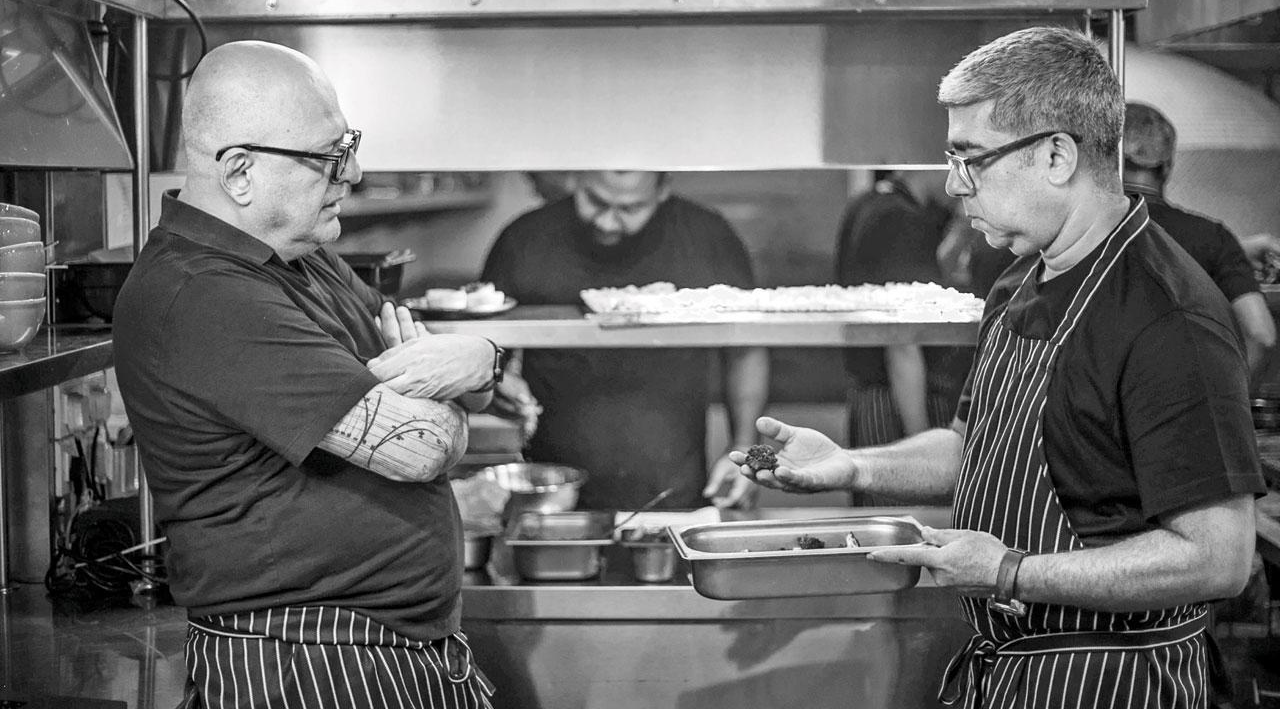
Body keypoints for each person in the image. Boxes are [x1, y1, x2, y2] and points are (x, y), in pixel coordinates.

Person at [737, 26, 1264, 709]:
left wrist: (1010, 569)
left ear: (1055, 155)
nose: (955, 186)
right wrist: (854, 466)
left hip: (1113, 681)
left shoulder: (1168, 317)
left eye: (971, 158)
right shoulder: (1019, 283)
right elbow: (974, 448)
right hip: (1014, 671)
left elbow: (1218, 557)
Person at [113, 41, 499, 709]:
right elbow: (421, 448)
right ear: (239, 171)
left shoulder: (300, 256)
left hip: (379, 654)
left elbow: (446, 373)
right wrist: (460, 379)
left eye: (348, 144)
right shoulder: (204, 294)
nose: (353, 172)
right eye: (328, 156)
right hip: (307, 663)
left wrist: (478, 360)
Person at [481, 170, 769, 510]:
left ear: (663, 189)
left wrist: (747, 449)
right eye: (595, 201)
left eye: (630, 209)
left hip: (671, 484)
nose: (607, 222)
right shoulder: (524, 239)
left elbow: (745, 350)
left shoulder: (707, 237)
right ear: (578, 179)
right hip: (552, 488)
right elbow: (486, 351)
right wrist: (497, 384)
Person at [1123, 101, 1277, 384]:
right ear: (1168, 165)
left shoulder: (1082, 235)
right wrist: (1221, 399)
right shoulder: (1211, 240)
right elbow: (1261, 334)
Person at [835, 170, 962, 450]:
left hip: (870, 398)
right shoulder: (900, 219)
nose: (963, 184)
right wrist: (922, 442)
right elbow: (902, 340)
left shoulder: (867, 202)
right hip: (900, 402)